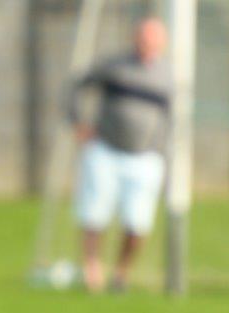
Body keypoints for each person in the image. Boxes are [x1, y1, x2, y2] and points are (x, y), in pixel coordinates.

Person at [68, 17, 172, 293]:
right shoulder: (115, 67)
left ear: (163, 43)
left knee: (137, 223)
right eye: (143, 38)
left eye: (153, 39)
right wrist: (79, 123)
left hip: (144, 157)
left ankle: (121, 273)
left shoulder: (167, 76)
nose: (147, 44)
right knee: (94, 214)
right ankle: (92, 269)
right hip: (106, 150)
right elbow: (77, 86)